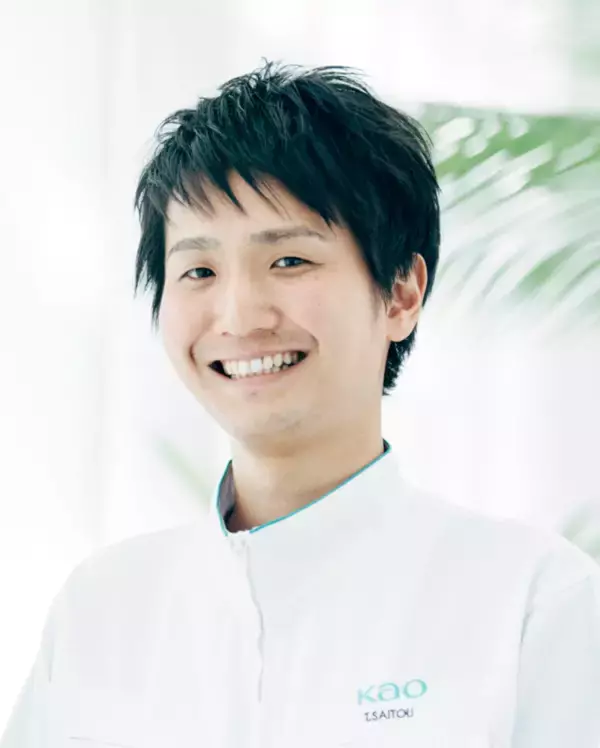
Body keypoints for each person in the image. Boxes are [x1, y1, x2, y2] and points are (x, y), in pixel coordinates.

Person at [2, 60, 600, 748]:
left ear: (401, 293)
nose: (238, 315)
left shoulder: (533, 602)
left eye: (289, 261)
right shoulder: (99, 612)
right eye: (199, 270)